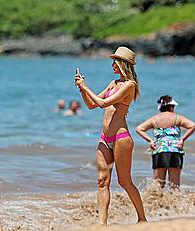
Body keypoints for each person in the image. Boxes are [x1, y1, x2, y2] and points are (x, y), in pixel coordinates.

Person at [74, 46, 146, 225]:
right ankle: (102, 224)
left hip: (121, 138)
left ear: (124, 64)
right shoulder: (113, 83)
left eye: (115, 61)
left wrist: (86, 86)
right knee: (101, 181)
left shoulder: (130, 85)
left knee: (124, 181)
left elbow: (102, 103)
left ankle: (142, 219)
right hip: (104, 138)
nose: (113, 64)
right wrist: (82, 90)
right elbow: (91, 104)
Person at [135, 95, 195, 189]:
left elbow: (139, 129)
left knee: (158, 184)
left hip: (159, 149)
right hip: (175, 150)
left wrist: (150, 141)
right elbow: (193, 126)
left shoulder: (154, 119)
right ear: (171, 106)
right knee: (174, 185)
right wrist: (182, 139)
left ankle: (158, 202)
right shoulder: (177, 117)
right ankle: (173, 202)